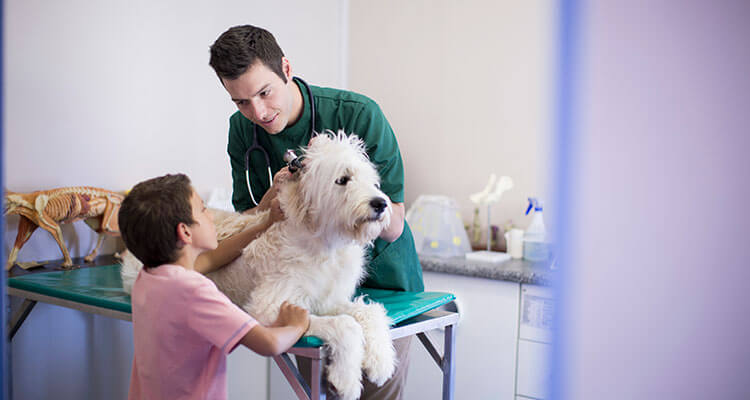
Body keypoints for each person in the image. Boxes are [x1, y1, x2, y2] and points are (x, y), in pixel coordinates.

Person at [209, 24, 424, 399]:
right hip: (303, 279)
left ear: (286, 69)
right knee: (323, 389)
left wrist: (341, 199)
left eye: (264, 92)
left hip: (383, 279)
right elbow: (249, 220)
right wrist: (275, 200)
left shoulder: (359, 115)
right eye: (241, 102)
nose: (257, 111)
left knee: (378, 385)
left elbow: (394, 222)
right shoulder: (242, 131)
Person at [119, 173, 309, 400]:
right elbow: (269, 343)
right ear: (185, 232)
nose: (211, 216)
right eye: (203, 209)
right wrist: (297, 325)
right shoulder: (194, 291)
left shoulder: (148, 277)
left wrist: (266, 224)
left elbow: (209, 261)